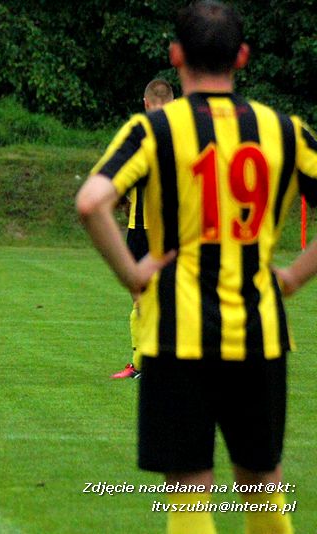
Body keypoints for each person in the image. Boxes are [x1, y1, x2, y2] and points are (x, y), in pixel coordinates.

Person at [76, 2, 317, 533]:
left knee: (188, 491)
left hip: (176, 333)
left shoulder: (155, 129)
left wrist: (135, 275)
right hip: (258, 330)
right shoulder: (283, 130)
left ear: (176, 55)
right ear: (244, 57)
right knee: (261, 485)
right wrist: (296, 275)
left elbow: (92, 202)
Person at [111, 78, 174, 379]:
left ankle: (145, 363)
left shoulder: (136, 138)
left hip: (142, 230)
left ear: (146, 103)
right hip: (172, 230)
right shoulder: (188, 137)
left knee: (143, 299)